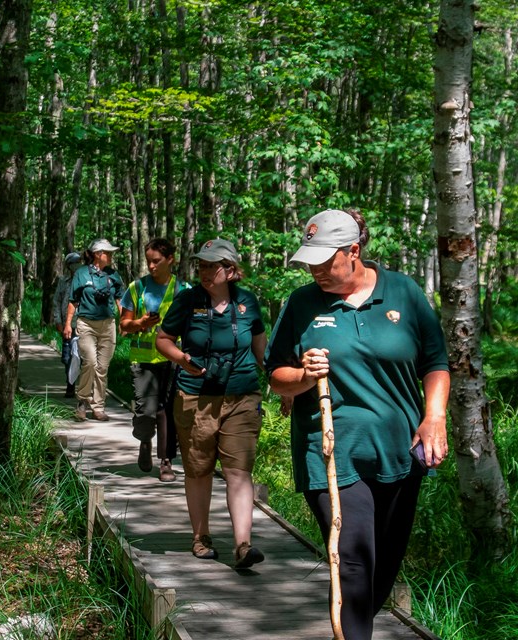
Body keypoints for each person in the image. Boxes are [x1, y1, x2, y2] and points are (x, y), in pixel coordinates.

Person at [264, 209, 450, 640]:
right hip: (330, 449)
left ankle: (356, 626)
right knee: (352, 558)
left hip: (398, 450)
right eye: (309, 261)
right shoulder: (301, 303)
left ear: (353, 251)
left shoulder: (403, 292)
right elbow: (276, 375)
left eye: (325, 261)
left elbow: (435, 362)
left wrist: (434, 416)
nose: (315, 270)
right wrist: (303, 376)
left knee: (382, 564)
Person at [156, 238, 267, 569]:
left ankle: (243, 545)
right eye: (201, 266)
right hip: (195, 396)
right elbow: (163, 340)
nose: (205, 272)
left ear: (230, 270)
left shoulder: (248, 303)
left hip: (242, 396)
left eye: (212, 266)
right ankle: (201, 537)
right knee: (199, 468)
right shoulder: (188, 301)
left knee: (238, 471)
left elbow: (262, 351)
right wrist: (182, 359)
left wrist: (284, 387)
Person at [119, 238, 190, 483]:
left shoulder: (184, 290)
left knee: (169, 411)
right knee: (145, 411)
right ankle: (144, 440)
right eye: (148, 261)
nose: (151, 266)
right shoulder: (136, 287)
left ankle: (166, 461)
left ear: (170, 260)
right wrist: (140, 324)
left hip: (174, 360)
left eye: (156, 261)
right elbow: (124, 325)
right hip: (143, 359)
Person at [63, 239, 125, 422]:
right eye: (109, 252)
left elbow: (120, 300)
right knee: (89, 362)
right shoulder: (81, 273)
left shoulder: (114, 275)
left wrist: (125, 321)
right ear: (99, 254)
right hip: (86, 324)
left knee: (103, 367)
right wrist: (68, 324)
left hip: (108, 325)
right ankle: (82, 401)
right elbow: (73, 300)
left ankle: (98, 407)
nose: (111, 255)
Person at [53, 252, 82, 398]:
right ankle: (70, 384)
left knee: (83, 357)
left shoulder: (85, 280)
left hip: (84, 325)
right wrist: (58, 320)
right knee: (67, 356)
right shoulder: (63, 281)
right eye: (73, 263)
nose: (76, 265)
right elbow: (57, 301)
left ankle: (84, 389)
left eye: (78, 262)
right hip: (68, 326)